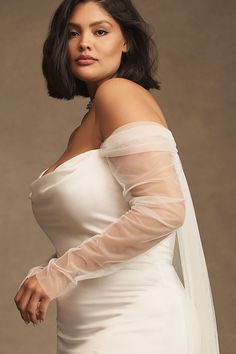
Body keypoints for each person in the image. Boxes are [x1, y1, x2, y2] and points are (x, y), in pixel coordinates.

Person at [14, 1, 220, 353]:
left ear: (126, 41)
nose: (84, 43)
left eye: (100, 31)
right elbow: (96, 225)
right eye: (72, 33)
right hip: (86, 327)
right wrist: (50, 268)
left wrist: (61, 271)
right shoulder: (91, 118)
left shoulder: (117, 94)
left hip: (137, 323)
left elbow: (163, 210)